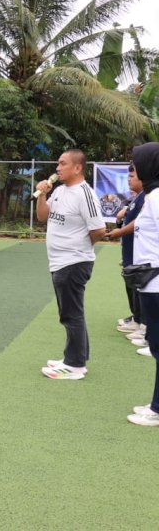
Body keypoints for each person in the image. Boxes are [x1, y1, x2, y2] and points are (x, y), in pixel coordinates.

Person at [36, 149, 105, 380]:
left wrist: (80, 248)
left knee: (71, 314)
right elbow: (43, 217)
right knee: (70, 312)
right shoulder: (59, 190)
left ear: (77, 168)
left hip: (74, 262)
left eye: (63, 163)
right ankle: (74, 357)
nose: (57, 168)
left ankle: (75, 366)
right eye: (58, 163)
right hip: (59, 262)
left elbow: (99, 230)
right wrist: (42, 195)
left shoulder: (84, 194)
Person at [127, 143, 159, 425]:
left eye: (138, 163)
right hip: (150, 282)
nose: (135, 168)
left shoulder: (158, 197)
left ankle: (158, 409)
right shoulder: (152, 195)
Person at [108, 166, 145, 340]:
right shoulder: (137, 197)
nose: (129, 179)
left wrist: (120, 232)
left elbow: (141, 221)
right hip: (130, 249)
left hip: (139, 251)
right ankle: (137, 319)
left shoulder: (148, 197)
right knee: (132, 283)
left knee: (140, 285)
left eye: (132, 176)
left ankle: (144, 324)